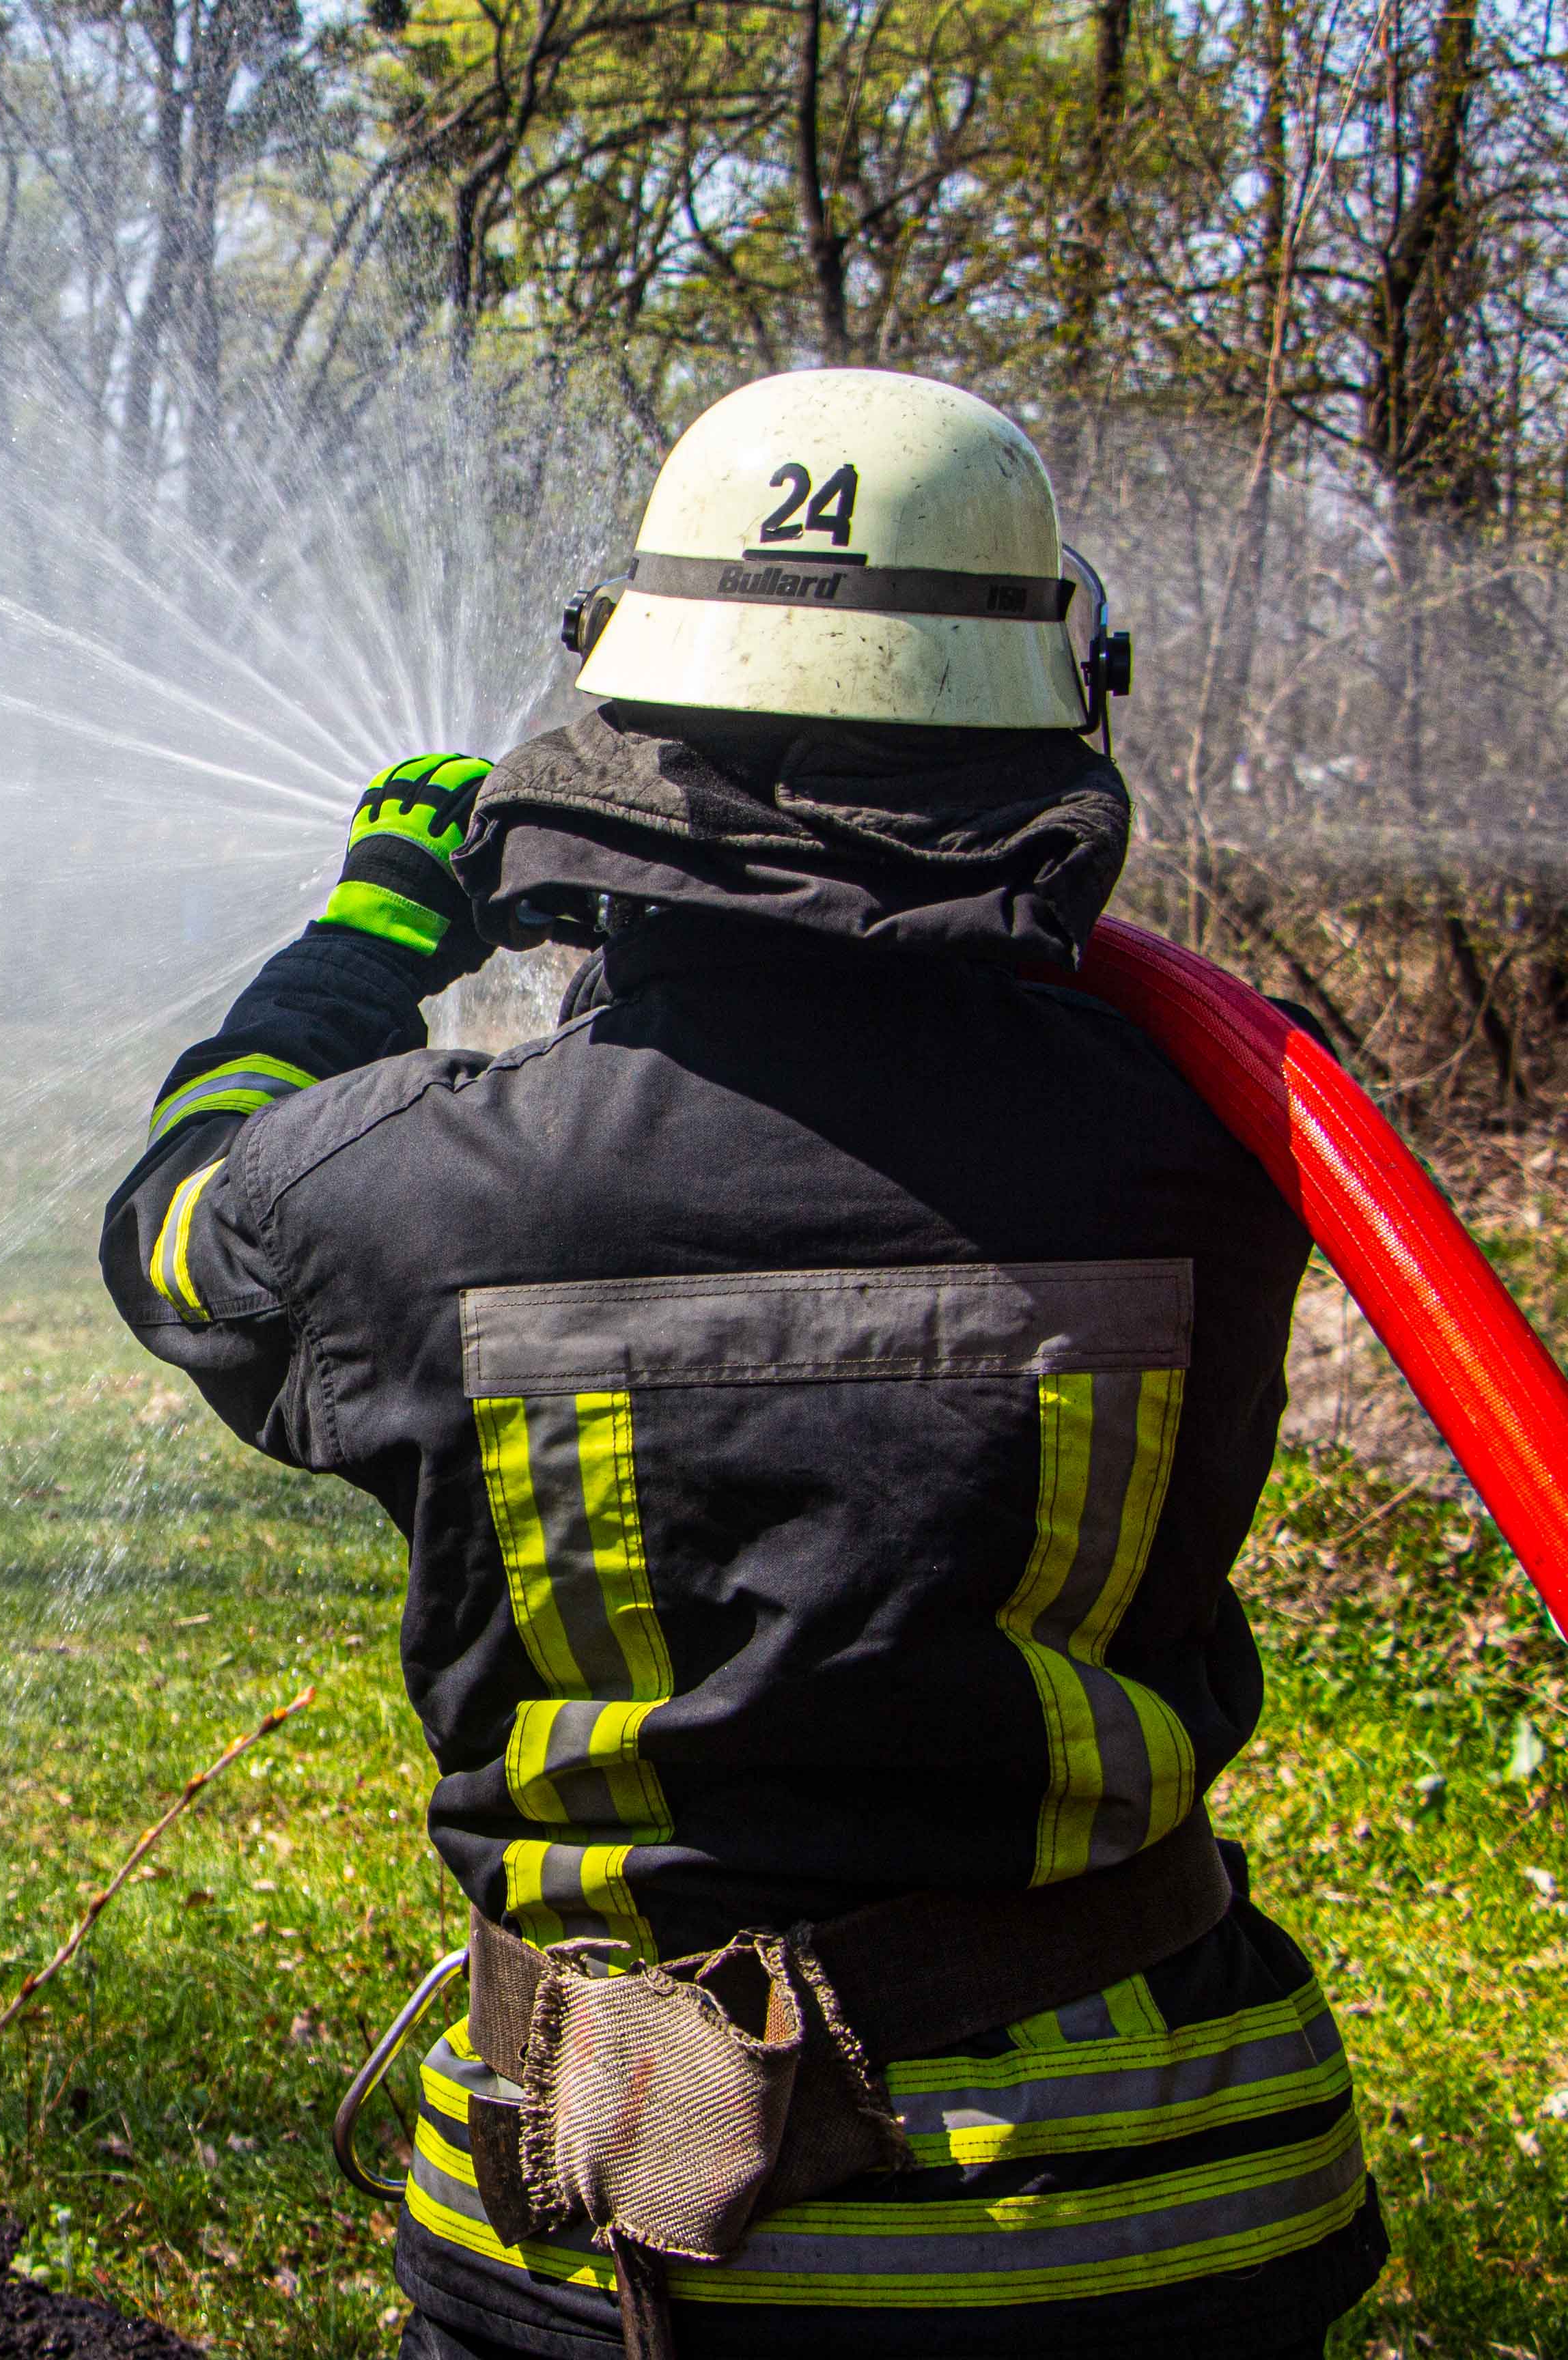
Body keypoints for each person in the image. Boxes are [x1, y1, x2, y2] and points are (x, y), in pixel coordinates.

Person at [102, 369, 1380, 2360]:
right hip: (1176, 2228)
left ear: (627, 712)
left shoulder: (432, 1194)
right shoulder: (1231, 1139)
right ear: (1065, 697)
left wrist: (369, 932)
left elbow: (179, 1212)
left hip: (626, 2248)